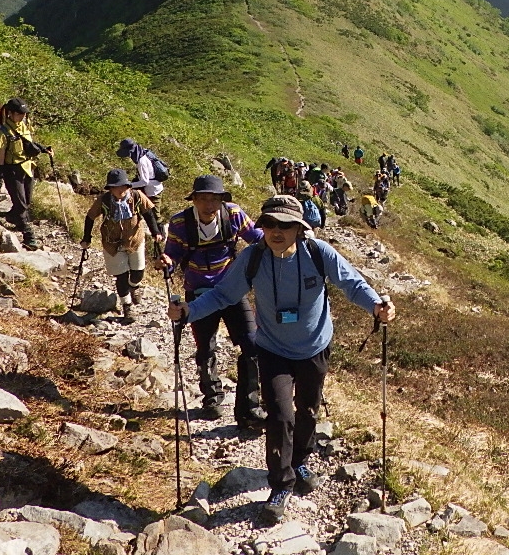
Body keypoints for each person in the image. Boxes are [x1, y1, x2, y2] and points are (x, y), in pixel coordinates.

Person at [168, 195, 395, 526]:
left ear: (299, 229)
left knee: (308, 410)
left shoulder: (318, 254)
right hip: (273, 350)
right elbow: (221, 294)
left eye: (285, 225)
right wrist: (189, 311)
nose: (276, 231)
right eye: (270, 224)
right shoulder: (253, 258)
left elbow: (351, 283)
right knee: (279, 415)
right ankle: (281, 485)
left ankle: (300, 460)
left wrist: (377, 306)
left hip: (315, 347)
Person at [162, 175, 268, 427]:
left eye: (215, 199)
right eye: (204, 199)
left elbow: (257, 237)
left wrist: (283, 237)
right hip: (198, 293)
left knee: (252, 345)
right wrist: (166, 262)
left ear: (222, 200)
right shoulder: (180, 222)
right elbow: (172, 254)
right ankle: (212, 398)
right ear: (195, 200)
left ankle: (249, 407)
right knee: (206, 347)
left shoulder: (233, 215)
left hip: (233, 289)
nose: (209, 204)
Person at [83, 169, 161, 321]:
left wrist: (155, 231)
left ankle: (134, 286)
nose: (121, 190)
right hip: (112, 243)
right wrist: (87, 237)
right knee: (121, 277)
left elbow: (148, 213)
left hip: (135, 240)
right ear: (110, 188)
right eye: (117, 187)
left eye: (124, 186)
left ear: (129, 186)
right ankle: (128, 307)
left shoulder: (137, 196)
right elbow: (90, 217)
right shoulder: (104, 200)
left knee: (138, 273)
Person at [0, 97, 51, 250]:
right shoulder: (3, 132)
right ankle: (29, 236)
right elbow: (1, 156)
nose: (23, 116)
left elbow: (28, 143)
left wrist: (44, 149)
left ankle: (13, 216)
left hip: (28, 168)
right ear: (10, 113)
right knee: (22, 204)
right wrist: (0, 174)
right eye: (19, 113)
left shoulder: (24, 126)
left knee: (27, 200)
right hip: (12, 170)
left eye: (24, 113)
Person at [116, 138, 165, 208]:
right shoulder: (143, 152)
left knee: (155, 215)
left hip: (153, 191)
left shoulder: (141, 162)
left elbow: (145, 182)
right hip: (153, 188)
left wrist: (128, 185)